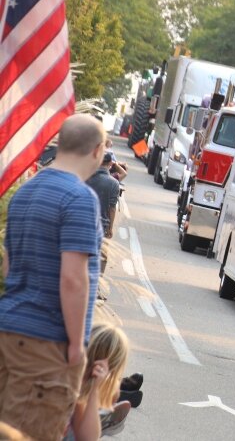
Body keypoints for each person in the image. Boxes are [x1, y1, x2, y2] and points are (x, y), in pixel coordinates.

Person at [0, 114, 105, 441]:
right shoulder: (80, 198)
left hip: (9, 330)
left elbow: (8, 267)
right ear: (98, 150)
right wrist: (76, 346)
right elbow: (73, 278)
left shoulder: (26, 191)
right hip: (48, 343)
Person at [66, 323, 131, 440]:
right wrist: (95, 390)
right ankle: (101, 416)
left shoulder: (76, 382)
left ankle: (101, 415)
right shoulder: (69, 384)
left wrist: (94, 390)